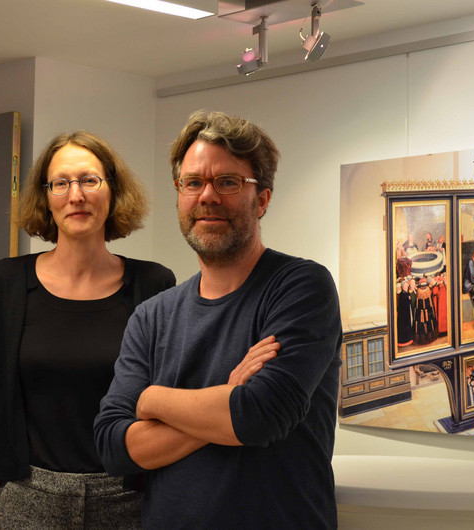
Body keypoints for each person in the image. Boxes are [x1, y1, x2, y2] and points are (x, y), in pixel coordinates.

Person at [95, 111, 342, 528]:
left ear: (262, 199)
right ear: (179, 195)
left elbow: (261, 415)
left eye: (228, 182)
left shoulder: (301, 287)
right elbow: (113, 446)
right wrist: (226, 398)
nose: (207, 196)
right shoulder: (151, 317)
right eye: (193, 183)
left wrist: (153, 400)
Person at [0, 131, 176, 529]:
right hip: (27, 498)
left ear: (113, 191)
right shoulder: (3, 282)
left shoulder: (153, 284)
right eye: (60, 183)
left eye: (89, 180)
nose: (75, 195)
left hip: (128, 497)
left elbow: (165, 405)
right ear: (46, 197)